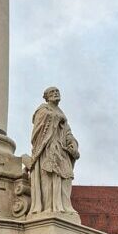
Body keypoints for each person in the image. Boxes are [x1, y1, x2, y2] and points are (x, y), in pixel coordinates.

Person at [28, 86, 80, 215]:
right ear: (46, 96)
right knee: (50, 178)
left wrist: (72, 142)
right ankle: (50, 207)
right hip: (48, 149)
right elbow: (38, 131)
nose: (55, 93)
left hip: (62, 150)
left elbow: (67, 131)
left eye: (57, 91)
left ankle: (65, 206)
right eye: (52, 92)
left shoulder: (62, 113)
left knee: (66, 177)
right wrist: (56, 118)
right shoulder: (43, 110)